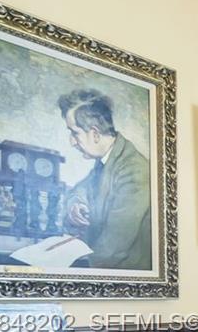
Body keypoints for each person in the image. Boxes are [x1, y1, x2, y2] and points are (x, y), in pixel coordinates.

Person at [58, 89, 151, 269]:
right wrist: (76, 203)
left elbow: (113, 246)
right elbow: (80, 189)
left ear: (95, 134)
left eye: (75, 133)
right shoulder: (107, 161)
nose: (72, 142)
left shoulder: (134, 171)